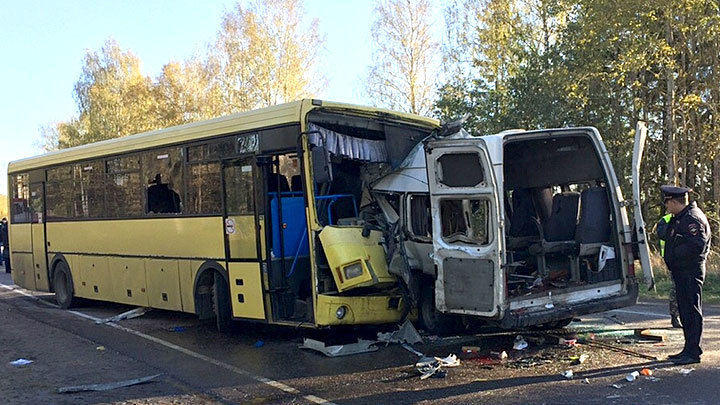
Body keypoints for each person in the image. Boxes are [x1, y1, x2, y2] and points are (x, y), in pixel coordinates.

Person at [660, 185, 711, 365]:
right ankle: (688, 349)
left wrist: (675, 254)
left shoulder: (692, 219)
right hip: (681, 271)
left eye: (668, 203)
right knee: (685, 310)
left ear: (674, 202)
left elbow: (697, 245)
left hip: (690, 270)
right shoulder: (680, 218)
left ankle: (693, 352)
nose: (666, 207)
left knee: (691, 310)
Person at [656, 213, 681, 328]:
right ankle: (675, 316)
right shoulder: (665, 220)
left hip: (684, 259)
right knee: (676, 289)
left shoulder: (689, 218)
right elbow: (662, 234)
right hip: (672, 259)